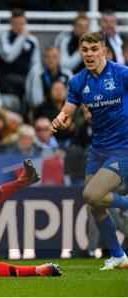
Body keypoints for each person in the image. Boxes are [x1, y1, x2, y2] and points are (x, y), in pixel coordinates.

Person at [51, 31, 128, 270]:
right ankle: (118, 255)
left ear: (104, 50)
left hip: (123, 148)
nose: (89, 54)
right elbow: (69, 109)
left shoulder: (121, 74)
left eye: (94, 49)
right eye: (85, 50)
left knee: (91, 195)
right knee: (95, 205)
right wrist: (60, 118)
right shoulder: (78, 81)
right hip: (98, 148)